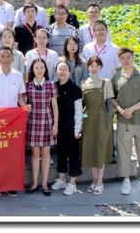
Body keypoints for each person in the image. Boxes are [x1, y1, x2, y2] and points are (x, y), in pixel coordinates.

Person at [111, 47, 140, 197]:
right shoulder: (116, 77)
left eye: (128, 57)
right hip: (123, 121)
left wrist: (131, 109)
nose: (126, 60)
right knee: (124, 151)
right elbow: (112, 98)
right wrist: (121, 110)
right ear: (119, 60)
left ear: (133, 58)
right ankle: (126, 180)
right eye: (123, 58)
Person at [0, 46, 28, 197]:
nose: (5, 59)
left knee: (11, 153)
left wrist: (24, 107)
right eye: (2, 56)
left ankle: (10, 185)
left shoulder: (18, 75)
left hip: (13, 120)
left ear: (13, 58)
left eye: (8, 56)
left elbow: (21, 97)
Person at [81, 56, 115, 195]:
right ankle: (94, 180)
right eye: (91, 66)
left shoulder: (106, 82)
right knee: (90, 149)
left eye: (97, 66)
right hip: (88, 120)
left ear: (101, 67)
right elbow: (82, 105)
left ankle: (100, 182)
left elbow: (109, 104)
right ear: (88, 67)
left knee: (100, 149)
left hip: (102, 119)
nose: (94, 68)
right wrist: (82, 119)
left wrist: (109, 120)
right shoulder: (83, 83)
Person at [24, 58, 58, 196]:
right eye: (36, 67)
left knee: (46, 153)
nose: (39, 70)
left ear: (45, 69)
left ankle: (44, 184)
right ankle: (34, 184)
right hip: (32, 122)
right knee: (35, 153)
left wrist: (56, 124)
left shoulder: (51, 84)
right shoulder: (28, 85)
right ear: (32, 69)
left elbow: (54, 106)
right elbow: (24, 103)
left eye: (41, 67)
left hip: (47, 122)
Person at [51, 61, 83, 196]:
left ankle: (72, 183)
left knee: (73, 154)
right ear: (56, 72)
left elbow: (79, 111)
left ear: (70, 72)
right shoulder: (53, 87)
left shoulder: (75, 89)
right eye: (60, 69)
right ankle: (62, 179)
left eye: (65, 69)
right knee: (61, 153)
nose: (62, 72)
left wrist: (78, 128)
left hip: (72, 126)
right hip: (58, 127)